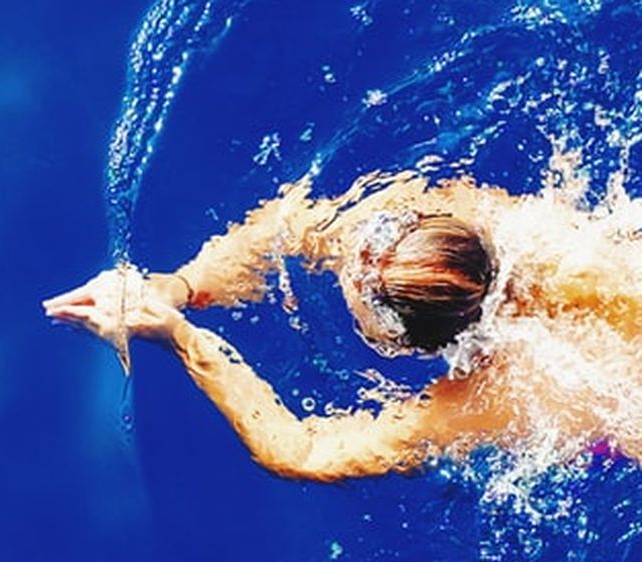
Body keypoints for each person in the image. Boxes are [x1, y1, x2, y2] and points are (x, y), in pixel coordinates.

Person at [43, 169, 642, 481]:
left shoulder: (496, 393)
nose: (346, 255)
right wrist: (176, 286)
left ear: (399, 338)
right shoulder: (477, 231)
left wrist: (180, 337)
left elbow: (302, 453)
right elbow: (290, 224)